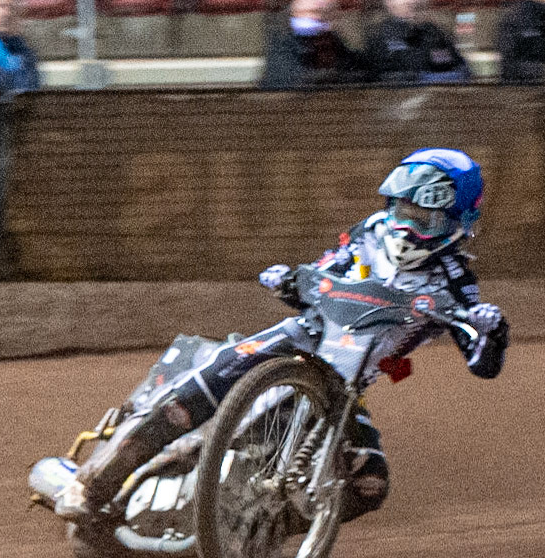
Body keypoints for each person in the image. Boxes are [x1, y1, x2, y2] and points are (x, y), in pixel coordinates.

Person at [49, 149, 509, 524]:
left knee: (370, 484)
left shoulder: (455, 280)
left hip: (345, 387)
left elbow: (481, 360)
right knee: (202, 386)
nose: (408, 228)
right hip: (302, 339)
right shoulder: (370, 231)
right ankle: (93, 484)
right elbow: (327, 271)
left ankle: (253, 529)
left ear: (458, 224)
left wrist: (490, 330)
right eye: (403, 212)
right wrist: (293, 280)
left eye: (425, 220)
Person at [364, 0, 470, 83]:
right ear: (389, 1)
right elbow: (381, 78)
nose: (411, 1)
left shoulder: (436, 33)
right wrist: (422, 78)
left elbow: (461, 69)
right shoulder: (379, 36)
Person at [258, 0, 369, 89]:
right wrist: (332, 76)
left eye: (325, 13)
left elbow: (360, 72)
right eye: (312, 11)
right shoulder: (282, 40)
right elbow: (289, 80)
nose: (315, 18)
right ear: (295, 13)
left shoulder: (331, 39)